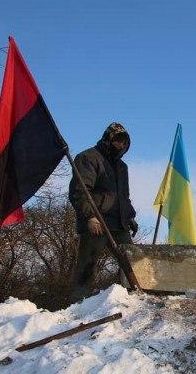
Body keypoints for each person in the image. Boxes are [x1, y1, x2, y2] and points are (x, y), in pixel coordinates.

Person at [68, 122, 138, 301]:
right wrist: (90, 216)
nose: (121, 145)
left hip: (119, 223)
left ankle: (135, 300)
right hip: (97, 221)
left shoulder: (122, 167)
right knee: (87, 266)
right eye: (118, 140)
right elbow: (80, 191)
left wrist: (130, 217)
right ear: (108, 139)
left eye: (125, 143)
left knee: (131, 263)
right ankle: (78, 304)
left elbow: (124, 196)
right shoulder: (88, 157)